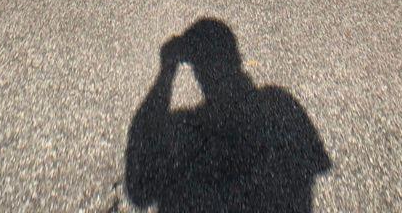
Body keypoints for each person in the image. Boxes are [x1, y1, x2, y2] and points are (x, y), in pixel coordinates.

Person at [125, 18, 331, 212]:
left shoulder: (183, 128)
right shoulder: (281, 103)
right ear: (236, 58)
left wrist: (166, 73)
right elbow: (317, 163)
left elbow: (140, 192)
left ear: (195, 69)